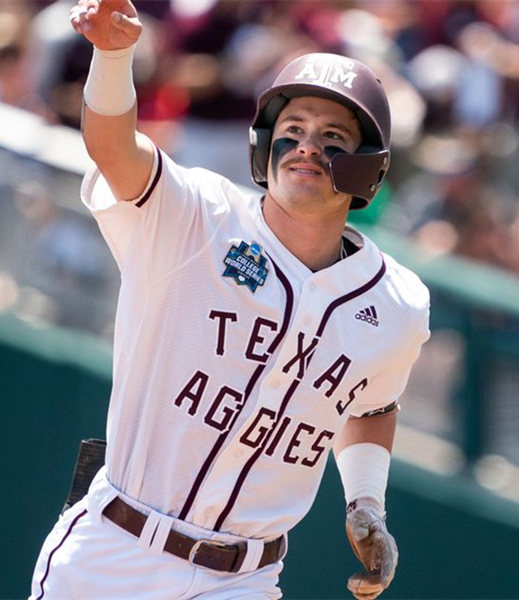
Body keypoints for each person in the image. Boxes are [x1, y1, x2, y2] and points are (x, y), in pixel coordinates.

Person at [30, 1, 430, 599]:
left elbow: (371, 403)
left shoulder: (396, 304)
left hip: (244, 577)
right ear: (264, 145)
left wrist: (366, 501)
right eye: (291, 132)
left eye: (332, 138)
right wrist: (113, 57)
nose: (305, 147)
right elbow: (114, 148)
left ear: (367, 169)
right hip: (116, 552)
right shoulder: (198, 217)